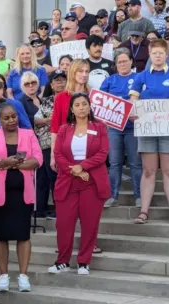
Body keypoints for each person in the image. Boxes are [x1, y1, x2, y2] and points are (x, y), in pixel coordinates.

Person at [0, 102, 42, 292]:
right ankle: (3, 276)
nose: (11, 120)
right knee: (1, 237)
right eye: (6, 118)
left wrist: (15, 165)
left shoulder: (28, 134)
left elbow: (37, 159)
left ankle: (23, 276)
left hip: (23, 194)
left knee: (23, 236)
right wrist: (3, 162)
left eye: (13, 116)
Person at [129, 39, 169, 225]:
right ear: (149, 54)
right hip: (147, 129)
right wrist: (133, 112)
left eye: (160, 53)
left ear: (167, 55)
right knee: (148, 170)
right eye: (154, 53)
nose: (157, 56)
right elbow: (133, 100)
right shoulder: (141, 77)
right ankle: (143, 212)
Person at [47, 94, 110, 275]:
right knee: (64, 224)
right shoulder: (64, 129)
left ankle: (84, 262)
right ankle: (62, 262)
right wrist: (73, 170)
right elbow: (58, 154)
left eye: (84, 104)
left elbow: (103, 153)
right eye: (77, 105)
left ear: (89, 107)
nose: (82, 107)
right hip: (68, 181)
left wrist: (82, 167)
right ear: (72, 109)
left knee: (90, 224)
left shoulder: (99, 127)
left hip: (92, 181)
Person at [101, 48, 142, 208]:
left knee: (135, 163)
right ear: (115, 64)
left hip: (134, 127)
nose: (122, 64)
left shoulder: (139, 78)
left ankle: (139, 196)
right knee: (115, 163)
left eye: (125, 61)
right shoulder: (109, 81)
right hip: (114, 128)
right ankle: (112, 196)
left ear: (132, 62)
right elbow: (101, 103)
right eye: (119, 62)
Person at [35, 70, 67, 219]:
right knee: (48, 177)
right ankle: (47, 209)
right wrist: (51, 120)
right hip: (47, 144)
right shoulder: (46, 101)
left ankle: (61, 209)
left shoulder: (71, 98)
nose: (60, 82)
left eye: (63, 80)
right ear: (52, 85)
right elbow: (37, 120)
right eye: (57, 80)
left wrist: (51, 119)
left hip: (66, 143)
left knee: (59, 178)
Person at [50, 59, 89, 171]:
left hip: (89, 149)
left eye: (87, 71)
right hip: (66, 149)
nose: (84, 74)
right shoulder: (61, 97)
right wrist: (53, 155)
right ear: (72, 72)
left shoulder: (92, 95)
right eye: (80, 71)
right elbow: (55, 128)